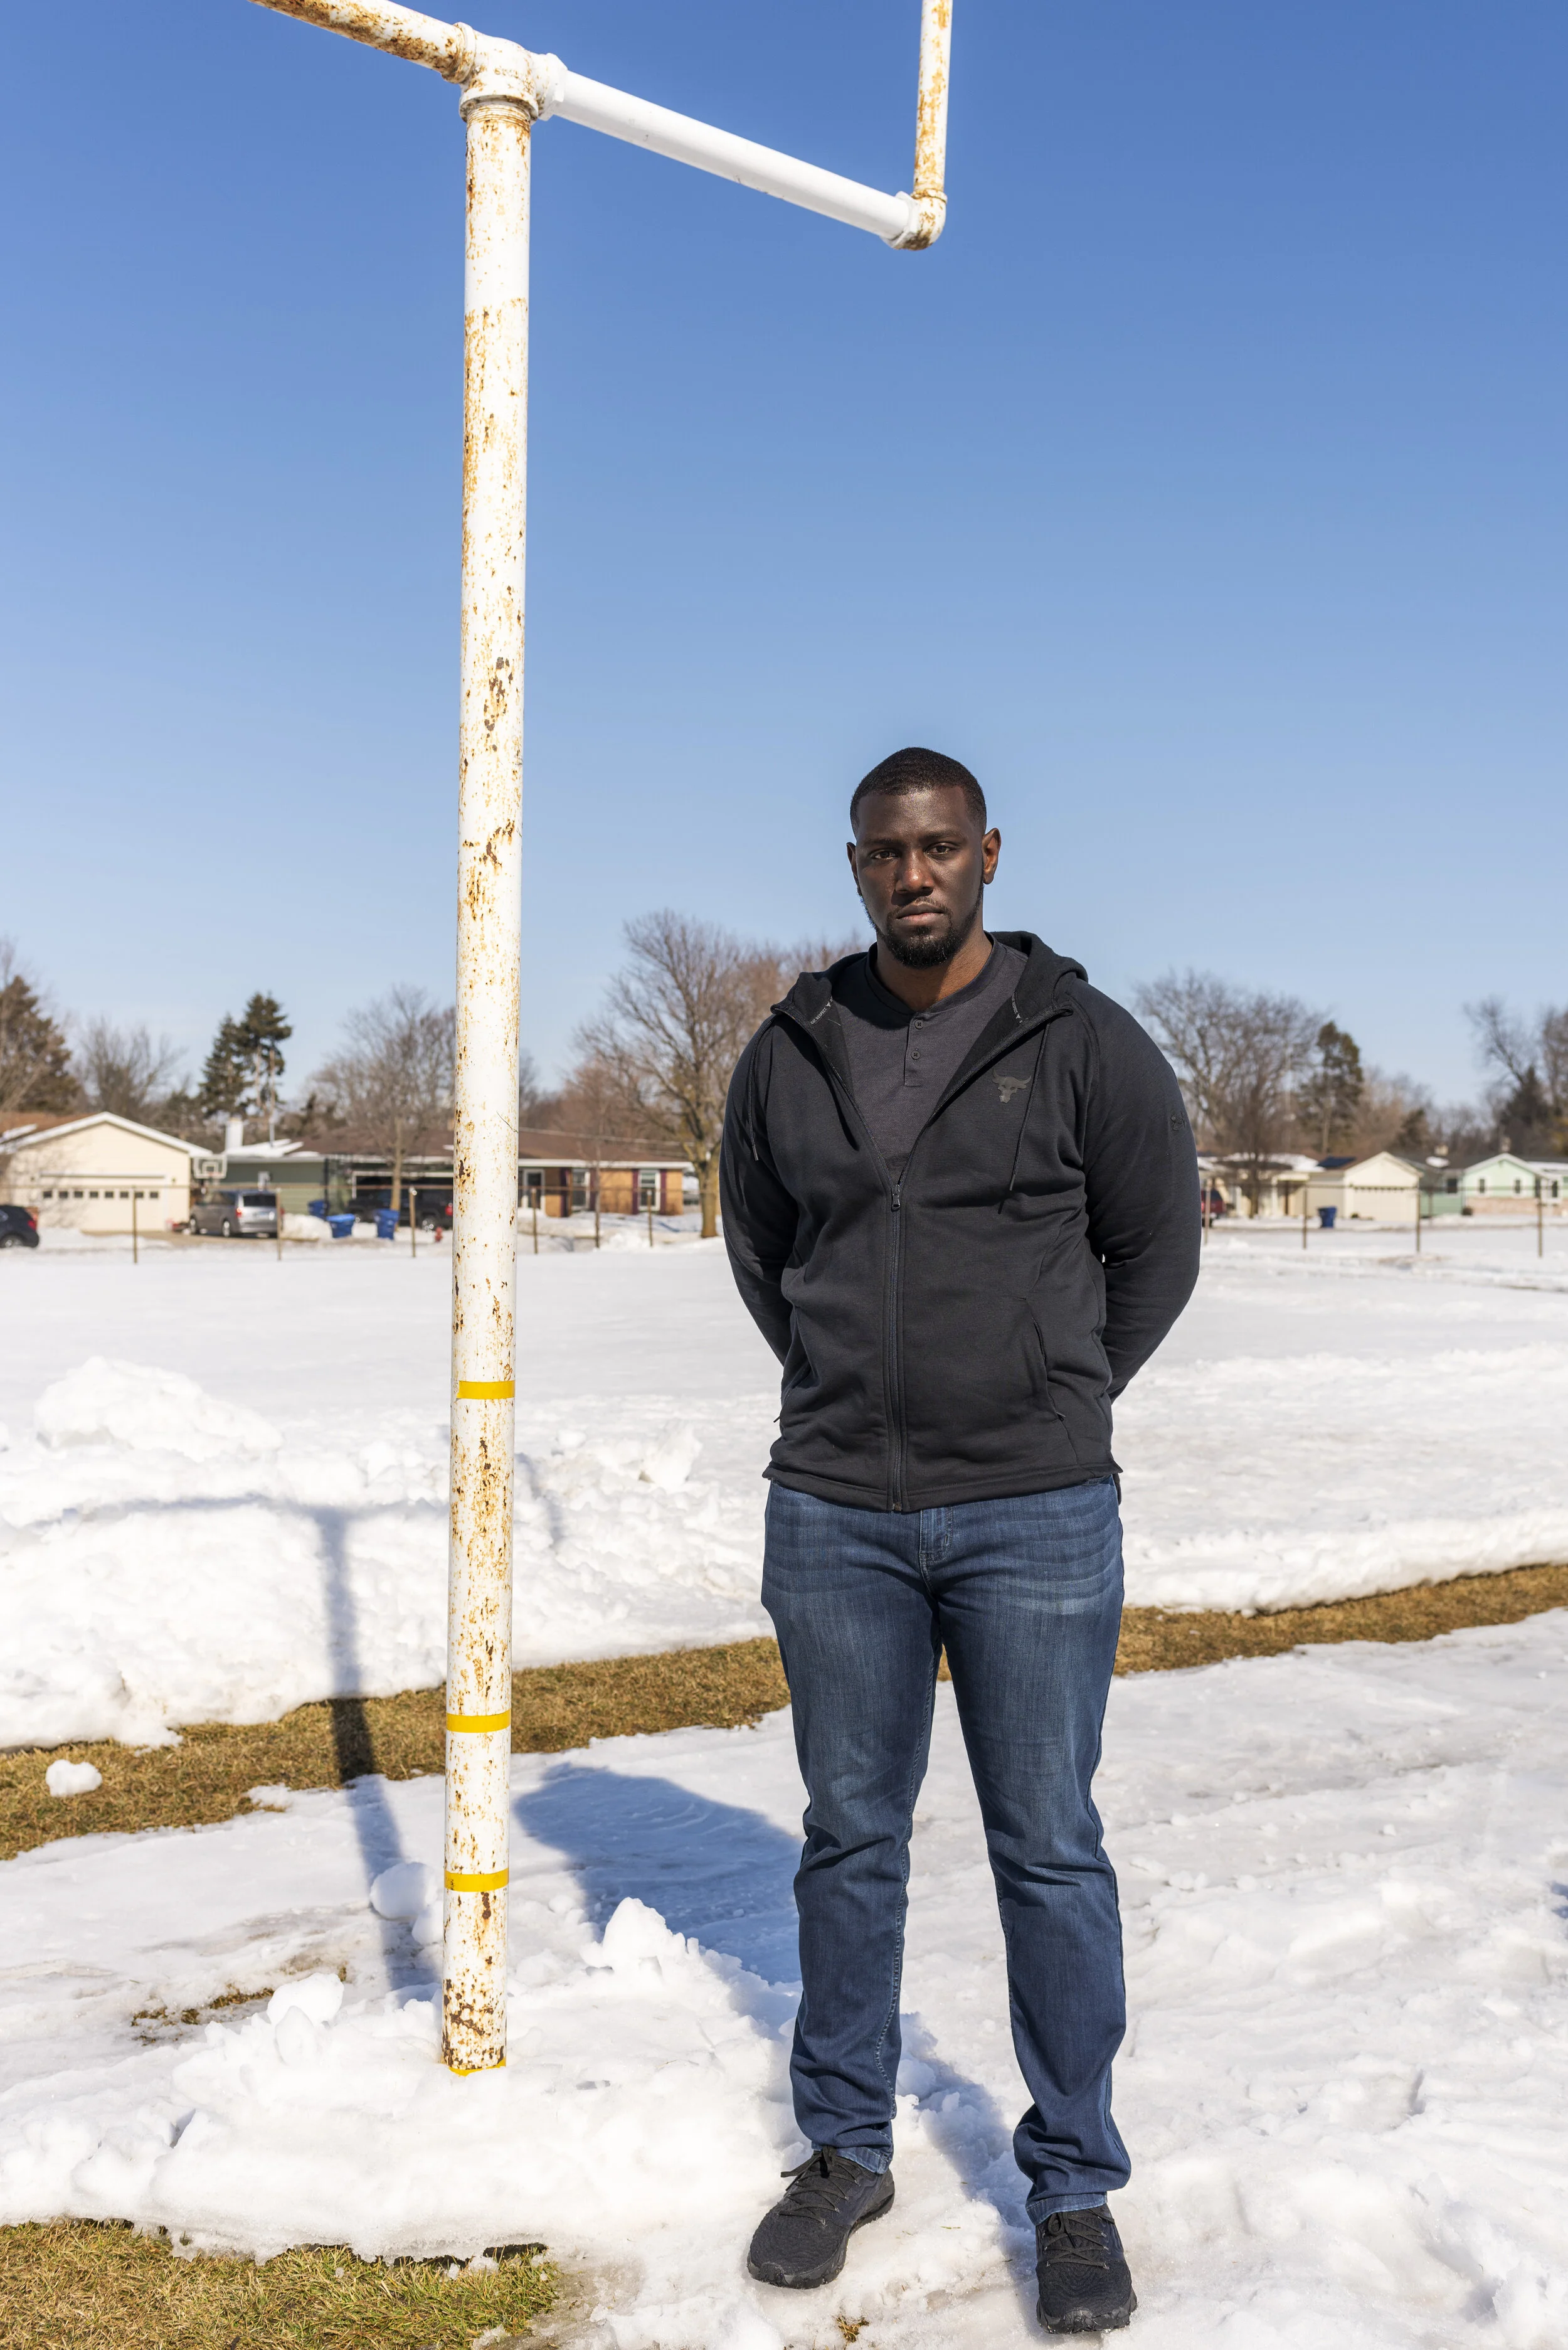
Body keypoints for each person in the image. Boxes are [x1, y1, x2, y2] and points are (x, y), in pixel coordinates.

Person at [720, 747, 1199, 2334]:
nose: (910, 872)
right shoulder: (791, 1048)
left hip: (1033, 1509)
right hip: (835, 1511)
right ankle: (845, 2150)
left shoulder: (1082, 1041)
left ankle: (1070, 2186)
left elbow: (1154, 1249)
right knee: (847, 1838)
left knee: (1046, 1846)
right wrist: (844, 1393)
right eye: (884, 850)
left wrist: (1051, 1391)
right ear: (854, 865)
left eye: (936, 846)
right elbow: (762, 1249)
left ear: (987, 853)